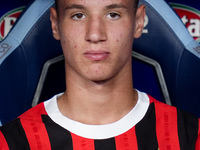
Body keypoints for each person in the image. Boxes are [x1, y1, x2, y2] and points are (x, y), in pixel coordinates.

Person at [0, 0, 200, 149]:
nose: (95, 34)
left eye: (113, 14)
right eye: (78, 15)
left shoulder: (190, 137)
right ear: (55, 24)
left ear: (138, 21)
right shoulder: (10, 142)